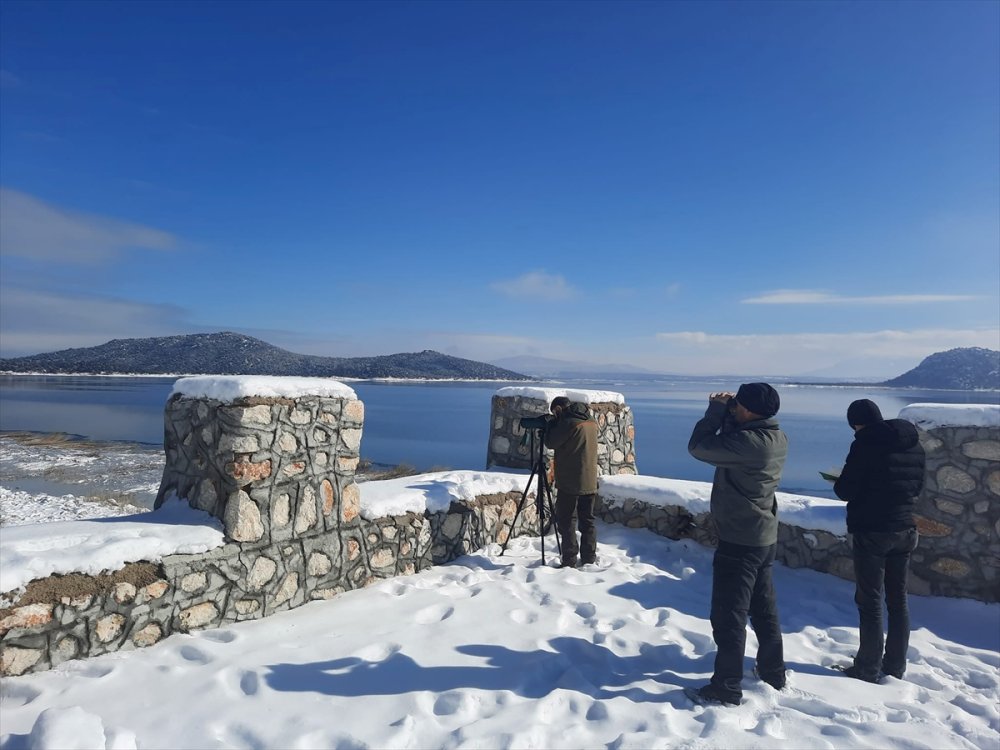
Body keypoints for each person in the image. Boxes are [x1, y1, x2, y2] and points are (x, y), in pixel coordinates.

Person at [686, 383, 788, 706]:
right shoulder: (775, 437)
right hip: (761, 537)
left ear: (750, 410)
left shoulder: (749, 443)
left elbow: (699, 447)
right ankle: (773, 671)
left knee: (729, 616)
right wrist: (733, 413)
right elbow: (732, 443)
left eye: (739, 404)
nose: (735, 407)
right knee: (763, 610)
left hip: (740, 541)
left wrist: (716, 412)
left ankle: (727, 686)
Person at [833, 399, 925, 682]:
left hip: (872, 531)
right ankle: (895, 665)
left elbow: (845, 489)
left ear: (856, 423)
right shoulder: (913, 445)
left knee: (870, 600)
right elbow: (917, 486)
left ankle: (868, 667)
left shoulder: (864, 444)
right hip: (905, 529)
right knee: (898, 601)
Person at [543, 396, 599, 568]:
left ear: (559, 409)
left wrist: (551, 426)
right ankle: (589, 558)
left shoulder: (568, 423)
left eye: (555, 412)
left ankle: (569, 560)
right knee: (587, 521)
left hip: (570, 481)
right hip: (590, 480)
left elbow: (550, 442)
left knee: (567, 521)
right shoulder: (590, 420)